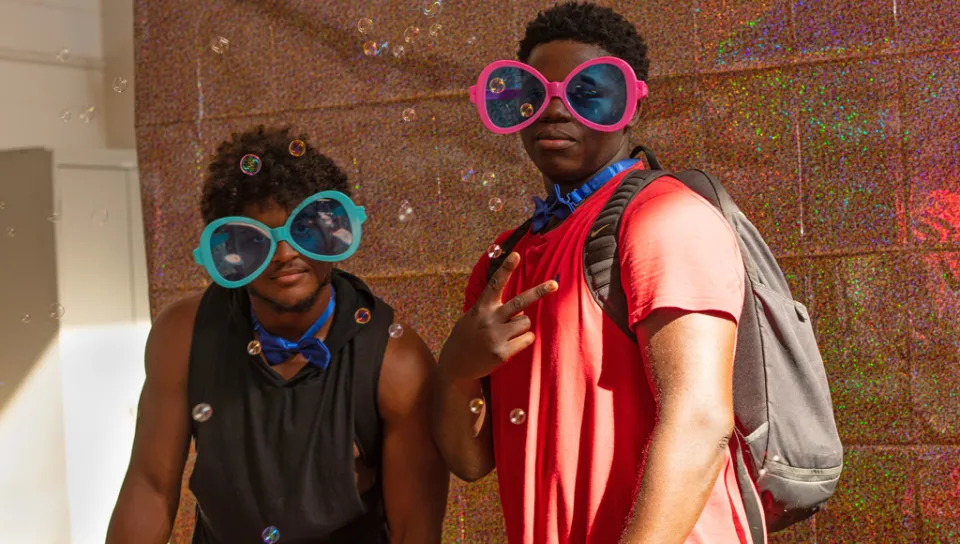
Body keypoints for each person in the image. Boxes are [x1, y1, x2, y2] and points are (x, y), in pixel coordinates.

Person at [431, 3, 760, 543]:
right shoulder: (503, 258)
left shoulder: (663, 217)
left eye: (587, 92)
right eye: (534, 95)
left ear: (630, 108)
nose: (554, 112)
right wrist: (456, 366)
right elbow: (468, 461)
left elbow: (701, 421)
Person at [107, 125, 448, 544]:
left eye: (305, 230)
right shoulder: (184, 333)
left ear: (335, 232)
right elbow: (150, 486)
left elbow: (414, 531)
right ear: (227, 253)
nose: (285, 255)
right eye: (256, 241)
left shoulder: (396, 362)